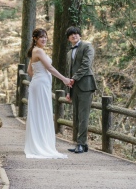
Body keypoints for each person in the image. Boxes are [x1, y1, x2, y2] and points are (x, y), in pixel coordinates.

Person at [24, 28, 73, 159]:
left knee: (40, 112)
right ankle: (41, 144)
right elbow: (49, 68)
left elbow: (30, 71)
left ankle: (39, 142)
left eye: (45, 37)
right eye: (41, 37)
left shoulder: (35, 51)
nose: (44, 39)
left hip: (40, 84)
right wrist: (65, 79)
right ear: (35, 38)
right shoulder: (38, 51)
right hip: (40, 85)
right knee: (42, 112)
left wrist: (39, 77)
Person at [65, 26, 96, 153]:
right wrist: (68, 89)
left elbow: (86, 65)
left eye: (76, 34)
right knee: (76, 116)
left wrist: (74, 78)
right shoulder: (69, 53)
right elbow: (68, 71)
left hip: (85, 85)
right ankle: (81, 143)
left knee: (83, 115)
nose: (74, 36)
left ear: (80, 35)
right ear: (68, 38)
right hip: (74, 86)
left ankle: (81, 144)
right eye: (71, 34)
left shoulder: (87, 47)